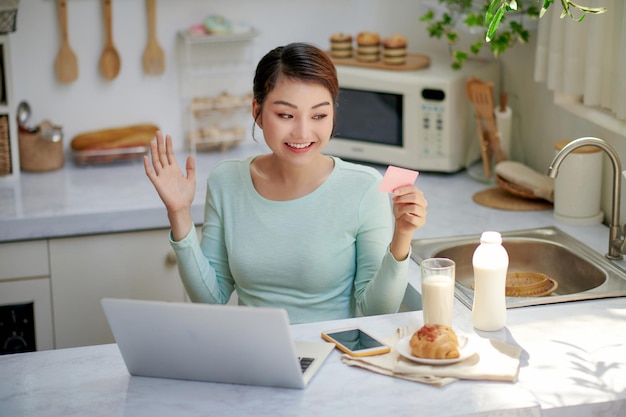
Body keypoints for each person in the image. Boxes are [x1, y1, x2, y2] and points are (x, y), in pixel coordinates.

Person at [144, 42, 428, 324]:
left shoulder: (363, 187)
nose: (303, 132)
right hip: (255, 356)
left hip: (333, 355)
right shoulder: (226, 181)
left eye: (319, 115)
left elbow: (377, 310)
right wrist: (179, 214)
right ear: (257, 111)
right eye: (285, 115)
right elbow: (209, 298)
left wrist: (402, 236)